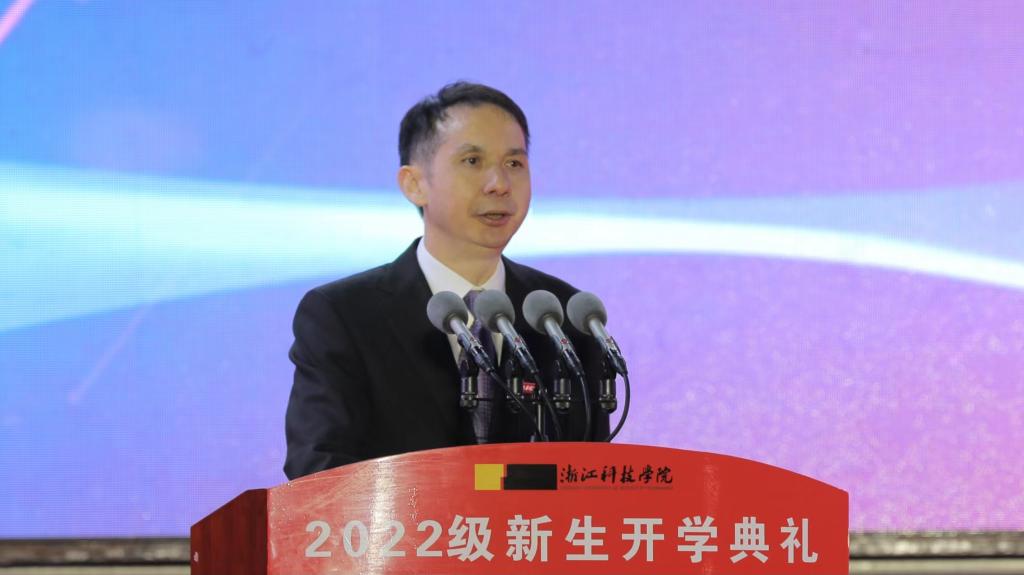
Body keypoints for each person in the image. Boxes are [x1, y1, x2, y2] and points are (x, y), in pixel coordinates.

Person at [284, 82, 608, 480]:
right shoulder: (344, 315)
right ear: (414, 184)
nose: (499, 184)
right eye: (472, 161)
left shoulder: (562, 316)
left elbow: (593, 479)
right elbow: (317, 471)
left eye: (514, 164)